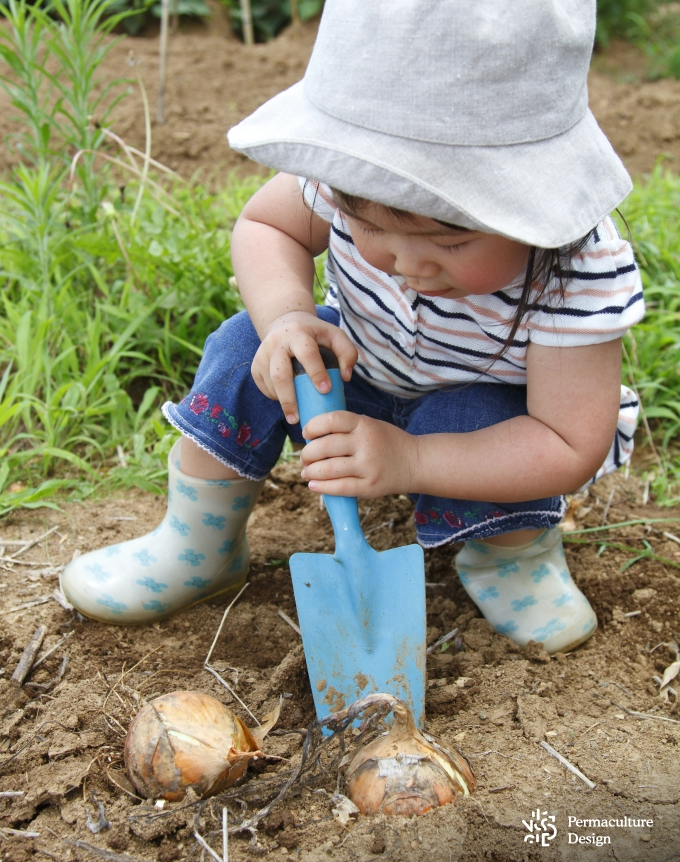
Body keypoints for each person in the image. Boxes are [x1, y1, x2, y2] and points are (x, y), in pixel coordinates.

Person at [62, 0, 644, 654]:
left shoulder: (575, 269)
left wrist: (413, 459)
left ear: (538, 200)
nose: (405, 261)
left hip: (486, 424)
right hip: (355, 375)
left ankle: (511, 559)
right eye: (367, 227)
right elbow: (266, 226)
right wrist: (288, 318)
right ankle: (199, 542)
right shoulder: (345, 180)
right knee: (245, 351)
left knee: (477, 418)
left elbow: (568, 443)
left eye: (450, 243)